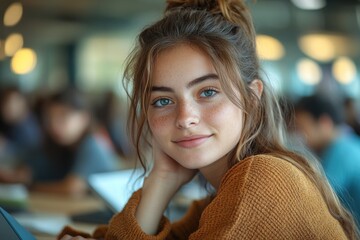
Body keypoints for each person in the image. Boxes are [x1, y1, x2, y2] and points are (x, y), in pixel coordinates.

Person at [59, 0, 358, 239]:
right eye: (163, 100)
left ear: (251, 99)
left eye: (208, 92)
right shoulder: (220, 196)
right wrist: (161, 179)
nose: (185, 118)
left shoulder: (261, 180)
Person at [1, 88, 119, 197]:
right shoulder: (59, 146)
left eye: (63, 116)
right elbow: (30, 171)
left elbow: (71, 188)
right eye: (50, 118)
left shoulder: (92, 145)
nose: (54, 125)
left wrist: (30, 186)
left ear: (84, 118)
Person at [293, 94, 360, 226]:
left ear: (324, 123)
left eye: (302, 128)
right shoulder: (349, 142)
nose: (300, 136)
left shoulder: (341, 151)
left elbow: (316, 200)